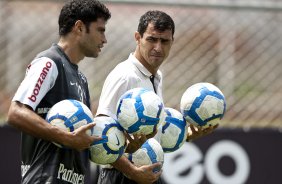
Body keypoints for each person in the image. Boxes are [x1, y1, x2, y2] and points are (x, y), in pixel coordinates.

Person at [96, 10, 217, 184]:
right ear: (138, 38)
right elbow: (101, 136)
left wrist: (186, 135)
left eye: (164, 41)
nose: (158, 48)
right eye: (152, 39)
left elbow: (145, 134)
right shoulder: (125, 76)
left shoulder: (156, 76)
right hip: (121, 176)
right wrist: (132, 171)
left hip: (147, 174)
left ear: (172, 42)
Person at [6, 0, 111, 183]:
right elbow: (16, 113)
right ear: (79, 27)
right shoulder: (49, 62)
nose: (104, 39)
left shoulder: (82, 79)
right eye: (100, 30)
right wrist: (65, 137)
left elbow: (82, 140)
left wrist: (124, 150)